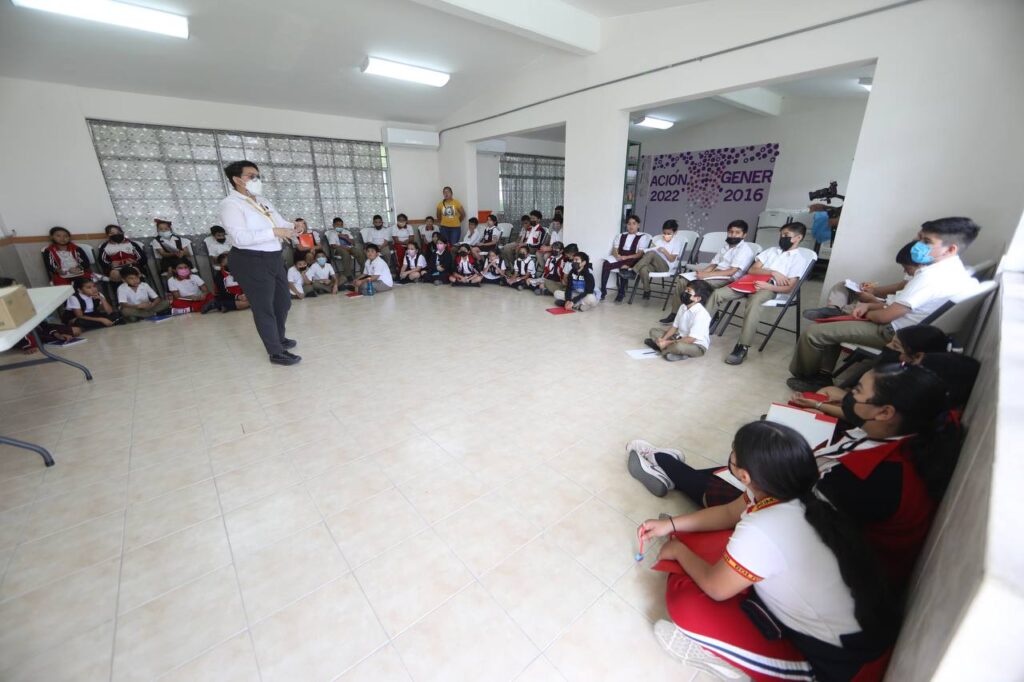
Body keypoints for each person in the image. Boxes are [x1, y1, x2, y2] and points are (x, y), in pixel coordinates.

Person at [640, 421, 897, 681]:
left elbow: (716, 589)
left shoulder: (765, 526)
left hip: (842, 666)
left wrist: (679, 550)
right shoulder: (792, 492)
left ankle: (748, 668)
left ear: (744, 476)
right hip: (854, 627)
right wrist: (671, 525)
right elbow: (729, 513)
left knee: (686, 602)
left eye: (733, 452)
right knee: (714, 545)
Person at [788, 217, 981, 390]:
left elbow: (886, 316)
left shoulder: (932, 277)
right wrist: (871, 306)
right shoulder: (956, 271)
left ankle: (808, 377)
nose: (917, 245)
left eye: (926, 241)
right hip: (903, 326)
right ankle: (823, 373)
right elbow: (896, 305)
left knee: (813, 333)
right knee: (832, 323)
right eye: (919, 238)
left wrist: (866, 312)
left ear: (951, 249)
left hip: (893, 332)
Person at [218, 159, 300, 366]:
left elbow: (280, 223)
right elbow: (240, 237)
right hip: (250, 260)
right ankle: (275, 351)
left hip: (273, 257)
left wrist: (295, 226)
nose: (256, 179)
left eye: (258, 175)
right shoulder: (231, 204)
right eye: (251, 176)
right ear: (237, 179)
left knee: (283, 302)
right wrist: (274, 232)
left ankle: (279, 338)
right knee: (264, 307)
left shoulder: (261, 200)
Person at [706, 222, 816, 366]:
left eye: (786, 235)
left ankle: (742, 346)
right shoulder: (771, 251)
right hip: (749, 282)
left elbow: (788, 288)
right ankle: (699, 329)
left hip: (769, 288)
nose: (782, 238)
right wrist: (773, 272)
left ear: (798, 238)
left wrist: (768, 285)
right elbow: (752, 270)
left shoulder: (799, 259)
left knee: (754, 303)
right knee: (718, 294)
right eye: (781, 235)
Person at [789, 324, 953, 419]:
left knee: (810, 410)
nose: (888, 347)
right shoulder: (910, 372)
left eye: (895, 346)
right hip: (863, 413)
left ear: (917, 356)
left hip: (860, 422)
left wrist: (819, 405)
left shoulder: (904, 385)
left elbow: (859, 417)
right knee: (828, 391)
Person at [660, 220, 755, 323]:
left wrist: (706, 275)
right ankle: (675, 313)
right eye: (731, 232)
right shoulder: (726, 246)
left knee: (698, 285)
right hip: (715, 274)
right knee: (682, 280)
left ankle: (706, 317)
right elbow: (713, 265)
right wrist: (701, 274)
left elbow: (731, 271)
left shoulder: (744, 250)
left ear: (744, 235)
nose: (733, 235)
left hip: (729, 278)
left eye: (737, 233)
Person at [803, 241, 921, 321]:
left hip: (886, 306)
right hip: (885, 301)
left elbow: (888, 309)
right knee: (842, 285)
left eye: (907, 268)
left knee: (859, 305)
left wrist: (871, 299)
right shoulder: (914, 273)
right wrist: (872, 290)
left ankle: (840, 312)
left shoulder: (924, 280)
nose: (904, 272)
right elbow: (898, 287)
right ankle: (833, 309)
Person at [644, 280, 714, 362]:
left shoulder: (701, 314)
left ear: (697, 298)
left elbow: (690, 339)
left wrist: (667, 343)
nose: (684, 293)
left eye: (688, 291)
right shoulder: (683, 307)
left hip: (696, 346)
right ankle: (670, 352)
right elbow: (674, 327)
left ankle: (665, 349)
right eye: (685, 290)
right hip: (679, 338)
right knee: (654, 331)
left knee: (678, 346)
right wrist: (664, 339)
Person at [632, 219, 686, 300]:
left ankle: (633, 271)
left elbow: (672, 260)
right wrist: (649, 249)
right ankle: (647, 291)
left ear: (674, 233)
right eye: (664, 233)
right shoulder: (659, 241)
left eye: (669, 234)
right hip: (655, 265)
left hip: (666, 267)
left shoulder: (677, 243)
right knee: (643, 268)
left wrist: (664, 251)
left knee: (652, 253)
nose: (666, 235)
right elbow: (651, 252)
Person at [600, 214, 650, 302]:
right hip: (621, 256)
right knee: (606, 263)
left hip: (633, 257)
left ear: (638, 225)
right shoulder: (621, 235)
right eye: (629, 224)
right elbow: (615, 249)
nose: (631, 226)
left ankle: (621, 292)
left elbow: (640, 254)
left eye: (634, 224)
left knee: (624, 266)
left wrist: (626, 257)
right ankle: (603, 291)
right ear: (626, 225)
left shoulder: (642, 237)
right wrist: (617, 256)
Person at [326, 217, 362, 283]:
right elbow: (332, 245)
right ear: (333, 225)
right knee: (345, 253)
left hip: (349, 247)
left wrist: (345, 238)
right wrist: (343, 247)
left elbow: (353, 243)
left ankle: (364, 272)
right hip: (338, 249)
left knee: (359, 252)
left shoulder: (347, 232)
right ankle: (348, 275)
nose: (339, 226)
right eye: (337, 225)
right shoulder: (332, 233)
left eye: (341, 225)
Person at [204, 225, 233, 291]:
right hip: (222, 264)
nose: (222, 237)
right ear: (214, 236)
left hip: (233, 262)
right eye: (219, 235)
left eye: (223, 235)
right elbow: (214, 259)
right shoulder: (213, 246)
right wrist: (223, 254)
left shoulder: (229, 243)